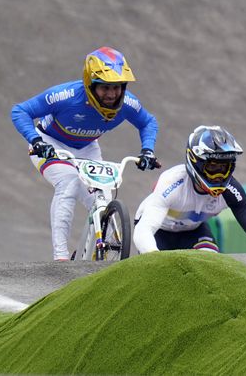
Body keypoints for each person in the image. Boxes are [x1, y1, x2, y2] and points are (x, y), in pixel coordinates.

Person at [10, 47, 161, 261]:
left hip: (88, 147)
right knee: (69, 184)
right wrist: (35, 141)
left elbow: (148, 122)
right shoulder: (65, 95)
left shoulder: (127, 104)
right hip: (50, 143)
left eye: (117, 87)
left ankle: (91, 256)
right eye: (105, 88)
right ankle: (60, 257)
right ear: (90, 84)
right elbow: (20, 111)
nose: (111, 95)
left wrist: (148, 150)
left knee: (103, 200)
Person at [133, 125, 246, 253]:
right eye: (213, 167)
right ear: (196, 163)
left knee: (211, 266)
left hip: (193, 231)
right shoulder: (172, 182)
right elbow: (143, 230)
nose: (219, 176)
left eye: (224, 168)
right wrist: (154, 258)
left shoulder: (231, 189)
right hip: (158, 231)